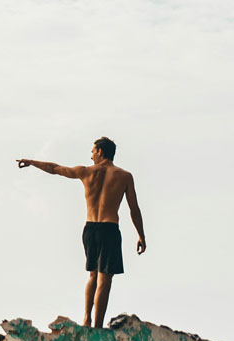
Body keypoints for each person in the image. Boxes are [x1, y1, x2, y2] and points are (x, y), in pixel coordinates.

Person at [17, 137, 146, 328]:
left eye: (93, 151)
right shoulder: (124, 176)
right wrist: (141, 235)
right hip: (109, 229)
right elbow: (133, 208)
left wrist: (31, 162)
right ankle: (98, 326)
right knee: (105, 278)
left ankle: (86, 318)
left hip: (90, 229)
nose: (91, 155)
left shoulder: (86, 172)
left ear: (100, 152)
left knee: (93, 275)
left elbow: (55, 168)